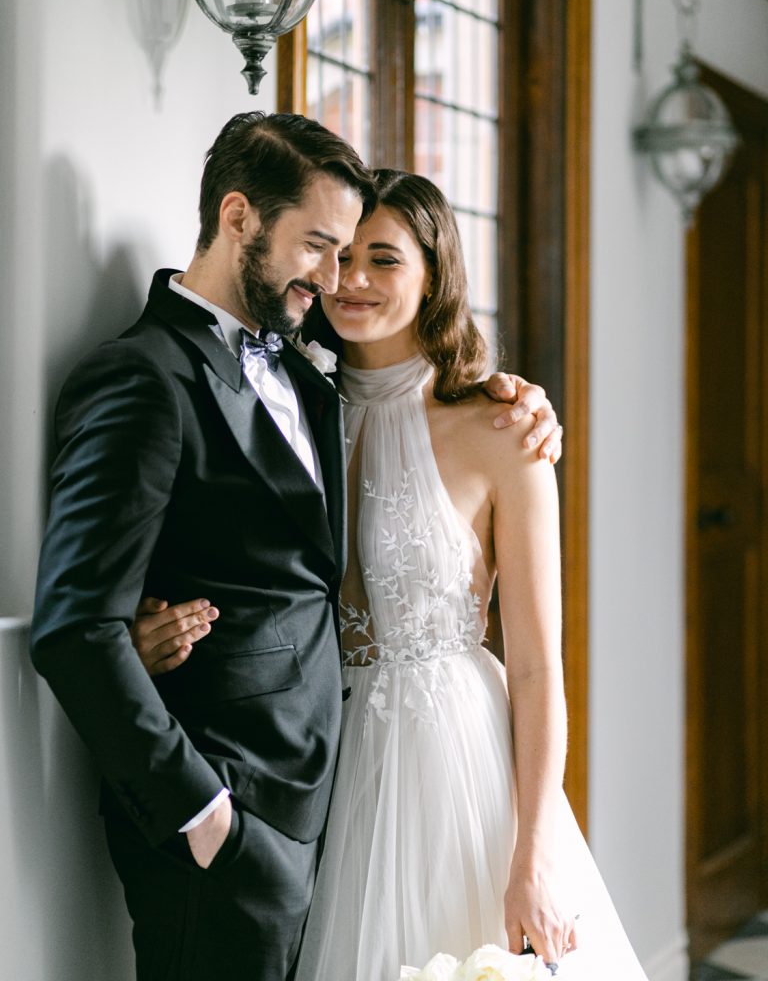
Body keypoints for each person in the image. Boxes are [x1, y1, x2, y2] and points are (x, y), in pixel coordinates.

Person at [29, 114, 561, 981]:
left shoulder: (309, 373)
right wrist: (207, 821)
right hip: (232, 828)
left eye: (358, 252)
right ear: (238, 216)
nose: (337, 276)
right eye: (321, 246)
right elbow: (74, 625)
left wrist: (516, 398)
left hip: (357, 804)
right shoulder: (142, 374)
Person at [133, 169, 648, 981]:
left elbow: (539, 665)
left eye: (386, 259)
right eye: (340, 255)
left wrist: (535, 851)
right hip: (320, 770)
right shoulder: (290, 409)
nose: (356, 280)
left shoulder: (505, 430)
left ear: (435, 273)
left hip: (458, 772)